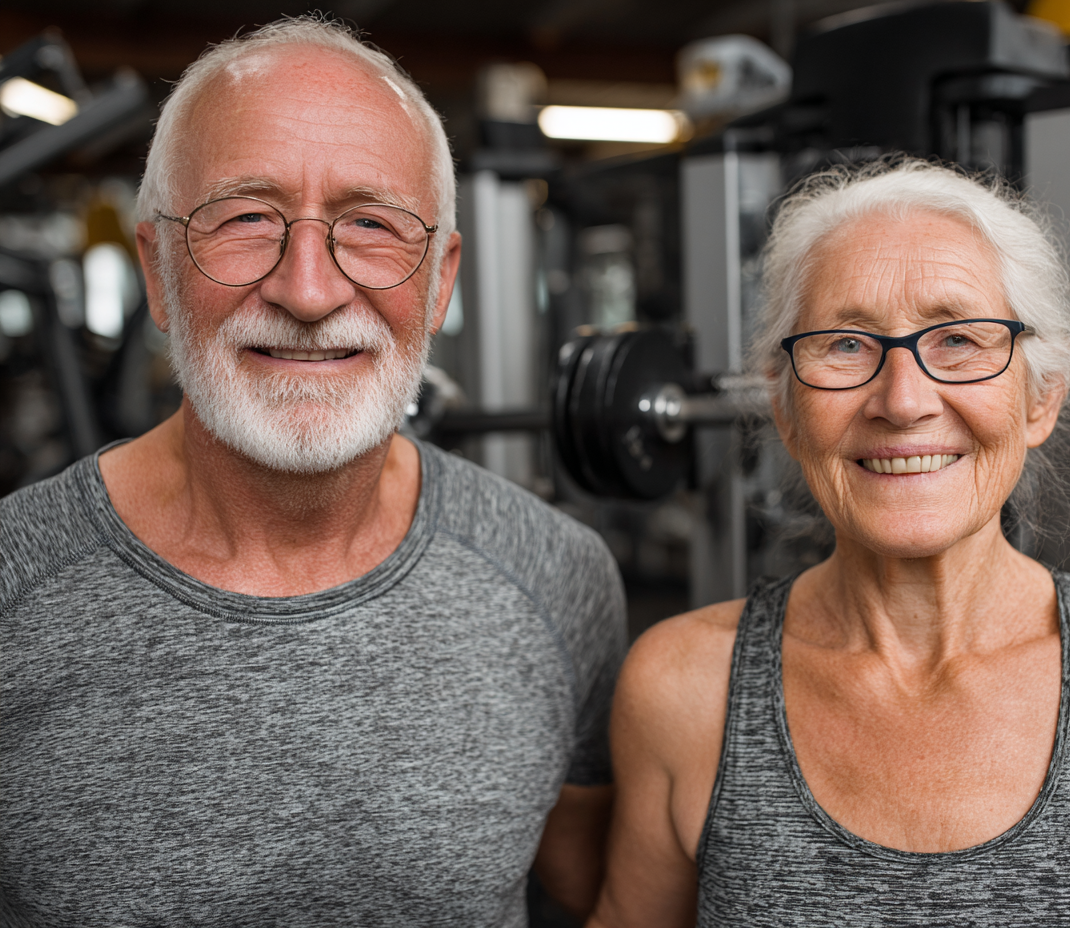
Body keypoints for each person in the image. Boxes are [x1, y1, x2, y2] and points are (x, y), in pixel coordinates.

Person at [0, 18, 625, 926]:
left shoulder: (557, 576)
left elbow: (608, 896)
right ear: (159, 270)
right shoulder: (14, 584)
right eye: (246, 218)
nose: (308, 289)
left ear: (441, 283)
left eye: (370, 225)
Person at [590, 160, 1070, 928]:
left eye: (959, 338)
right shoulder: (681, 687)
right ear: (785, 409)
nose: (902, 401)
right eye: (846, 346)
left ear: (1041, 398)